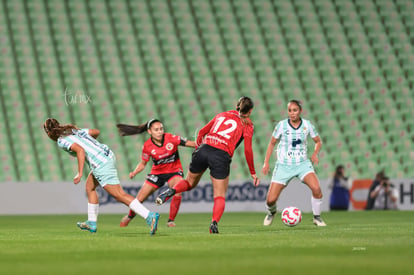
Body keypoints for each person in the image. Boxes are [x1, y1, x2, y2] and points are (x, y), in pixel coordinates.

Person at [155, 96, 260, 234]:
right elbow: (247, 150)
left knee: (189, 183)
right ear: (250, 111)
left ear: (237, 106)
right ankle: (214, 223)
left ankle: (172, 190)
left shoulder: (222, 114)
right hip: (221, 155)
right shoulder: (248, 124)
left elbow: (201, 132)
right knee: (219, 195)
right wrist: (252, 172)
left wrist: (199, 147)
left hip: (204, 149)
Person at [43, 118, 160, 235]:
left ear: (49, 133)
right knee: (90, 187)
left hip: (100, 163)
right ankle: (91, 223)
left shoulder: (61, 140)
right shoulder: (74, 131)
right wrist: (93, 147)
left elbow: (80, 150)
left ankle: (149, 216)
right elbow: (96, 132)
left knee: (119, 195)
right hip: (107, 154)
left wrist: (79, 173)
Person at [116, 119, 196, 227]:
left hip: (174, 171)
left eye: (161, 129)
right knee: (139, 199)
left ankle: (170, 221)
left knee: (177, 190)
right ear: (149, 132)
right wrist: (134, 172)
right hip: (157, 173)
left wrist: (203, 145)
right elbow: (143, 163)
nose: (160, 132)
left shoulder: (171, 138)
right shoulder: (147, 146)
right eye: (156, 130)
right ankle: (129, 216)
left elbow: (189, 143)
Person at [261, 99, 327, 227]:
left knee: (316, 188)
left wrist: (315, 153)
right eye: (290, 110)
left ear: (300, 111)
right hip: (284, 166)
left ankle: (317, 217)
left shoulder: (307, 125)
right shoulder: (281, 125)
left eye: (295, 110)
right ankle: (272, 212)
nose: (292, 113)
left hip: (302, 164)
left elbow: (318, 141)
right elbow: (272, 143)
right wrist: (266, 163)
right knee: (270, 200)